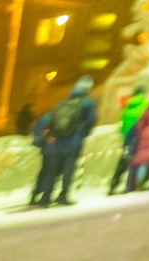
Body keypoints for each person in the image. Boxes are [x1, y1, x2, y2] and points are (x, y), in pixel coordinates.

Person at [28, 76, 98, 207]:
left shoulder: (62, 103)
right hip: (74, 141)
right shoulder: (88, 103)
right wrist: (83, 134)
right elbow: (91, 121)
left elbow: (52, 123)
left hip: (57, 143)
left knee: (51, 170)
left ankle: (46, 198)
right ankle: (63, 196)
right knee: (68, 170)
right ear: (87, 89)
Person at [107, 85, 149, 194]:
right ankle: (136, 183)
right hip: (140, 135)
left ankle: (114, 183)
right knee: (140, 161)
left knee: (125, 160)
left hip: (127, 137)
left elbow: (122, 123)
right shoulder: (146, 104)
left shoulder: (128, 106)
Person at [124, 91, 149, 194]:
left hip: (145, 136)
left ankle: (138, 182)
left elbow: (139, 124)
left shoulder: (145, 109)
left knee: (141, 161)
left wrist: (143, 133)